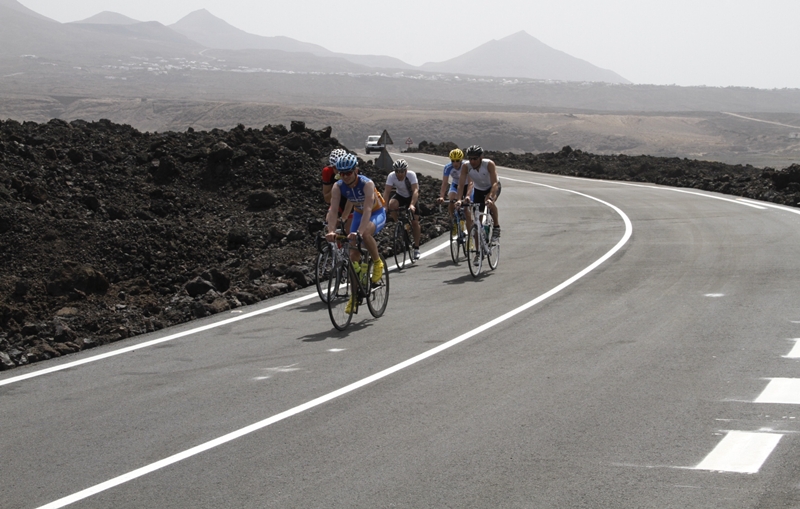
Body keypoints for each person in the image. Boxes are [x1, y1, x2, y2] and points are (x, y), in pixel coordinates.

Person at [325, 153, 387, 313]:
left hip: (376, 212)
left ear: (356, 171)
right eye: (341, 173)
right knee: (353, 258)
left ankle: (377, 262)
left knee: (365, 234)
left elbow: (368, 209)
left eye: (348, 173)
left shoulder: (367, 184)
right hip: (359, 213)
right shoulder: (338, 186)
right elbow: (332, 210)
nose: (345, 177)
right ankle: (354, 296)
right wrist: (331, 231)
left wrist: (358, 232)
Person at [456, 145, 501, 247]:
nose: (472, 161)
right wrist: (459, 200)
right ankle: (478, 252)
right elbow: (461, 184)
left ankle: (497, 227)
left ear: (481, 158)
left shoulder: (489, 164)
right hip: (479, 190)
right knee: (477, 223)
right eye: (470, 158)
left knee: (488, 202)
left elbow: (494, 183)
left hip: (492, 187)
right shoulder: (466, 167)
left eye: (475, 159)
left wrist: (490, 198)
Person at [382, 159, 422, 260]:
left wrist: (412, 205)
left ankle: (416, 248)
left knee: (415, 222)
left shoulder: (411, 175)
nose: (399, 174)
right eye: (397, 172)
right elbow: (386, 192)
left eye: (401, 171)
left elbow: (415, 191)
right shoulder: (391, 176)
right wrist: (384, 206)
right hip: (400, 195)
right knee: (392, 204)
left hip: (411, 196)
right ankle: (398, 224)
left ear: (406, 170)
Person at [435, 148, 472, 234]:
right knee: (451, 199)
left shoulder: (466, 166)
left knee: (467, 211)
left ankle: (470, 235)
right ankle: (454, 221)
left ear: (461, 160)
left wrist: (468, 196)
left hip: (466, 186)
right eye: (453, 161)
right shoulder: (448, 167)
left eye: (457, 161)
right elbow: (444, 183)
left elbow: (471, 182)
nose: (455, 163)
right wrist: (441, 196)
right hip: (455, 185)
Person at [322, 148, 352, 231]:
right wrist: (338, 184)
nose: (337, 170)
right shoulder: (327, 171)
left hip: (352, 202)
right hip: (337, 202)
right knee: (329, 224)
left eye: (340, 167)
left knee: (348, 230)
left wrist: (345, 216)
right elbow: (327, 199)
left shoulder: (352, 172)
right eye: (335, 167)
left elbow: (353, 197)